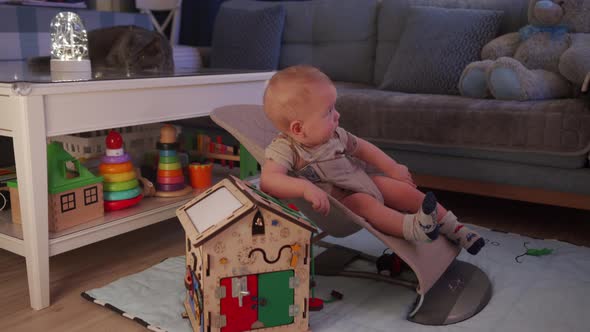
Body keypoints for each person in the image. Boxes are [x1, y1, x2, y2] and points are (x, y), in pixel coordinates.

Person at [260, 65, 484, 255]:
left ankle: (456, 228)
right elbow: (269, 180)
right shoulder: (286, 148)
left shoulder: (337, 135)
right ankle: (414, 228)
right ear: (298, 129)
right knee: (363, 203)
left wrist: (392, 167)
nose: (337, 115)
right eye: (328, 112)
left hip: (364, 181)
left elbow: (365, 149)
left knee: (401, 190)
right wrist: (304, 188)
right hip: (344, 204)